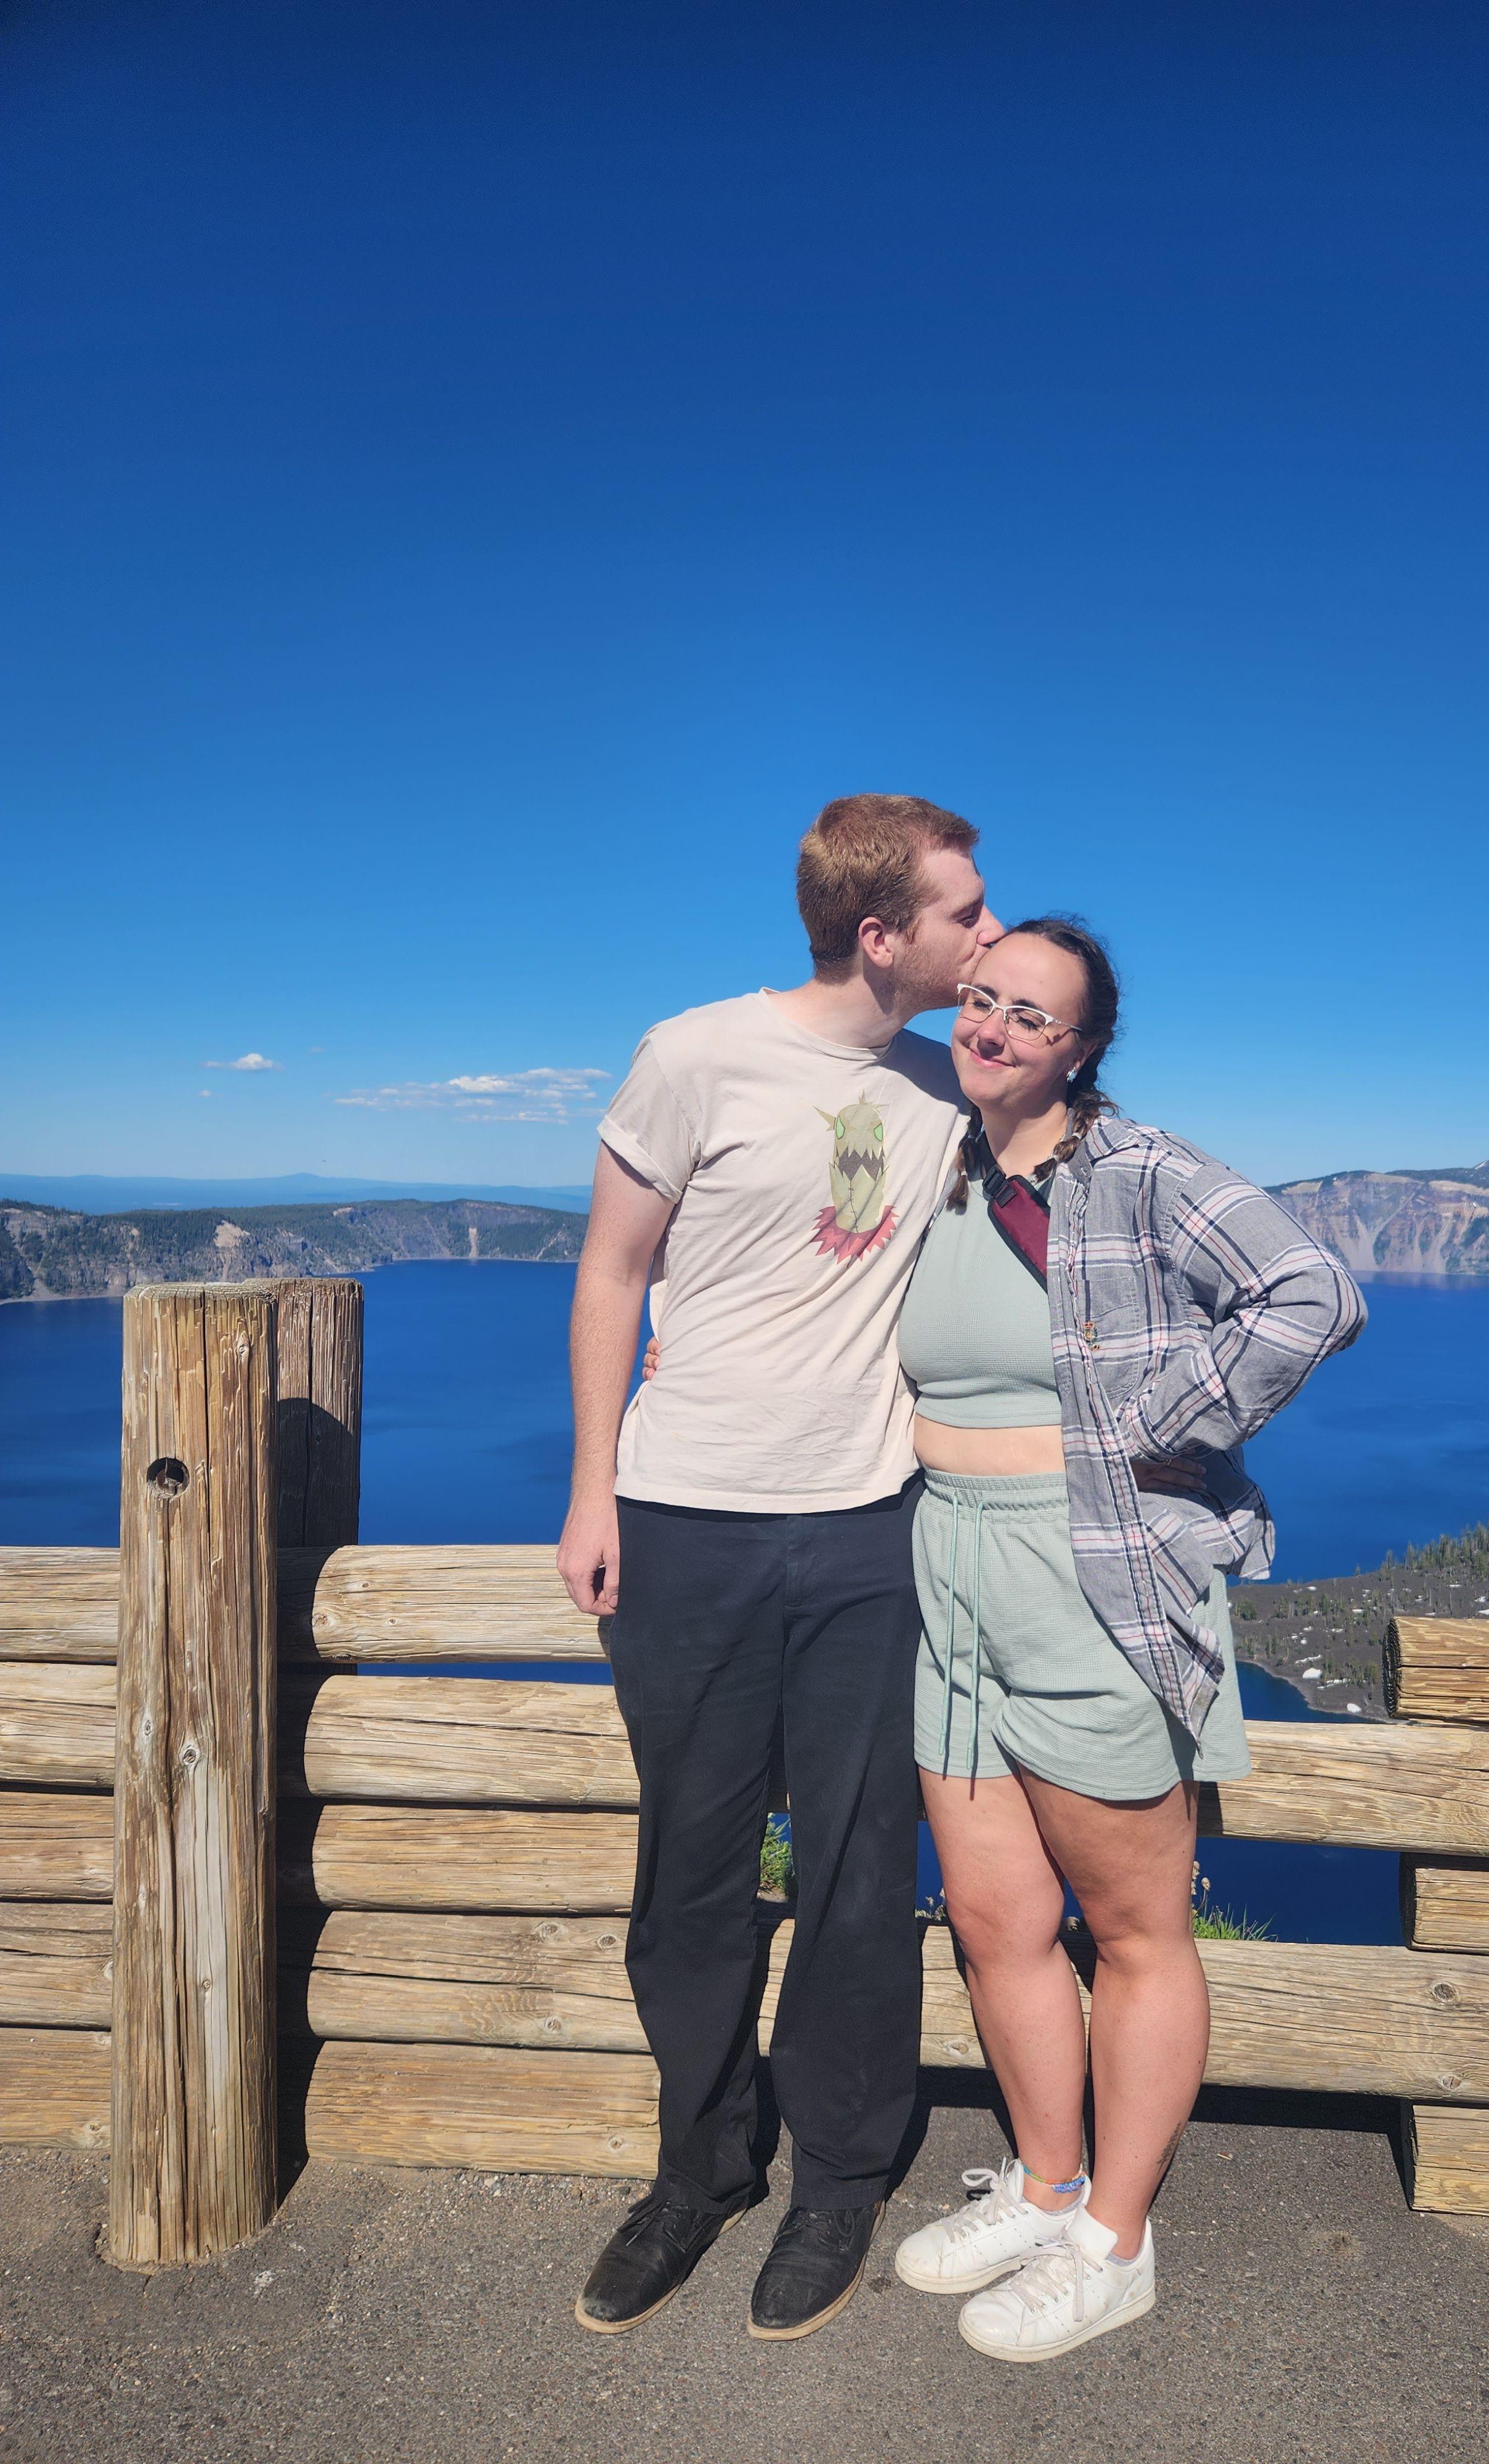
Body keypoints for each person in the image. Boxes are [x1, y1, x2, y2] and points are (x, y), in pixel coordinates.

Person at [884, 915, 1363, 2361]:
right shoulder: (938, 1157)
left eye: (1031, 1016)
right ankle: (1042, 2186)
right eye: (979, 1001)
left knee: (1136, 1931)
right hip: (945, 1563)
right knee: (992, 1916)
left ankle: (1116, 2238)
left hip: (1088, 1571)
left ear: (1082, 1045)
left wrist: (1147, 1423)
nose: (992, 1030)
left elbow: (1313, 1294)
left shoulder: (1138, 1170)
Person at [558, 793, 999, 2341]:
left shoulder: (951, 1087)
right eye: (964, 912)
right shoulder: (694, 1055)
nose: (986, 934)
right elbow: (614, 1267)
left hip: (871, 1528)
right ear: (881, 933)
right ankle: (699, 2163)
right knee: (688, 1870)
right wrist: (592, 1486)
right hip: (682, 1520)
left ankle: (834, 2178)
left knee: (860, 1873)